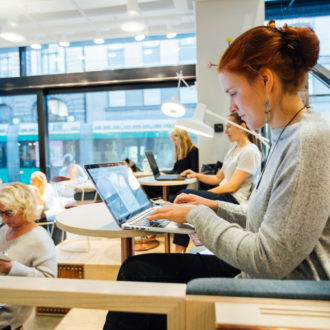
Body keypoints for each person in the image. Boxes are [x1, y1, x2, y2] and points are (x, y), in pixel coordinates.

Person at [103, 22, 329, 330]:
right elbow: (266, 220)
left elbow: (268, 259)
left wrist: (198, 215)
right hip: (267, 279)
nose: (232, 108)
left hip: (284, 295)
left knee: (139, 276)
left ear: (265, 80)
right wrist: (213, 207)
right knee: (137, 269)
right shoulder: (288, 135)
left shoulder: (307, 141)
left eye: (234, 93)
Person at [173, 112, 261, 252]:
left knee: (184, 197)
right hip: (225, 194)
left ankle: (178, 253)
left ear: (242, 127)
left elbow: (232, 186)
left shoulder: (250, 152)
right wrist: (196, 175)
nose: (226, 131)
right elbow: (218, 179)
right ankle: (179, 252)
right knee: (184, 197)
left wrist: (201, 195)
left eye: (229, 127)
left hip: (234, 199)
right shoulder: (233, 149)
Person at [0, 182, 57, 330]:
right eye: (1, 213)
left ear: (24, 208)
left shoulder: (40, 239)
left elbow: (50, 281)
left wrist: (12, 268)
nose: (4, 219)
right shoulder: (4, 229)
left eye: (8, 213)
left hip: (8, 315)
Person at [143, 127, 199, 199]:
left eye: (175, 140)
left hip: (181, 183)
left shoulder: (193, 151)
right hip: (176, 180)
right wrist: (164, 174)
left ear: (182, 138)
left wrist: (183, 175)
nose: (174, 143)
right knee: (147, 187)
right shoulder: (180, 152)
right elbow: (174, 170)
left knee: (147, 188)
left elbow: (194, 171)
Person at [30, 171, 63, 245]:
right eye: (31, 180)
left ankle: (46, 242)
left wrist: (36, 192)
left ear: (40, 181)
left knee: (38, 218)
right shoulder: (34, 189)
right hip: (42, 215)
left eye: (34, 180)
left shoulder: (48, 187)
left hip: (51, 214)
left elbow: (42, 202)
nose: (31, 182)